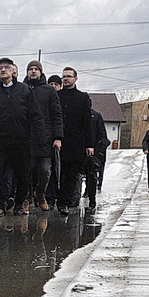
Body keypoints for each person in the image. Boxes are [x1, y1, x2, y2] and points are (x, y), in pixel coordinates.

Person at [0, 58, 33, 215]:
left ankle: (19, 204)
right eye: (0, 68)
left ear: (13, 70)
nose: (3, 70)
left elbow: (34, 115)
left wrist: (34, 137)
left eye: (7, 67)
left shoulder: (25, 90)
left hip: (21, 140)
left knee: (22, 174)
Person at [23, 60, 62, 210]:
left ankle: (40, 193)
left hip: (44, 137)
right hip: (25, 138)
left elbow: (56, 114)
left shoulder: (49, 90)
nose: (33, 71)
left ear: (41, 72)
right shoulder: (21, 89)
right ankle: (26, 198)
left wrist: (58, 137)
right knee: (25, 171)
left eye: (36, 69)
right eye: (30, 69)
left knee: (45, 170)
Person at [55, 67, 95, 214]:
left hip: (76, 142)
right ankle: (57, 199)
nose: (66, 79)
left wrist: (89, 144)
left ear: (75, 79)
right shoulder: (56, 96)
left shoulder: (83, 97)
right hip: (58, 140)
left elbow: (87, 123)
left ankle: (65, 202)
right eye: (64, 76)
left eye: (69, 76)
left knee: (71, 174)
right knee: (59, 174)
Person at [86, 108, 108, 213]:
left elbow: (103, 136)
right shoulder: (78, 114)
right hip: (80, 150)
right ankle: (73, 198)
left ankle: (92, 200)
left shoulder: (96, 116)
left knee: (92, 176)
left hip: (94, 152)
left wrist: (99, 151)